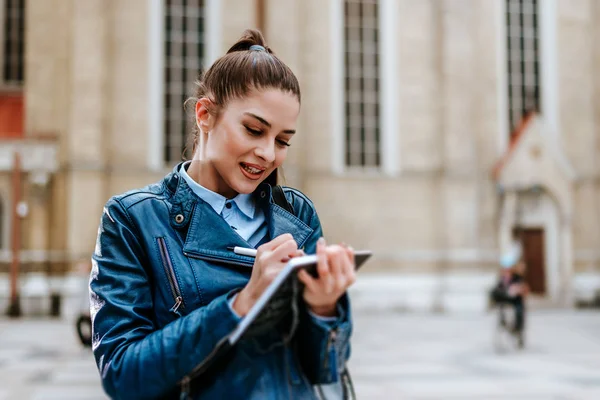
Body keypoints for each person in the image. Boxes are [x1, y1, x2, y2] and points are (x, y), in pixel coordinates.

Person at [90, 29, 356, 399]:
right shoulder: (135, 219)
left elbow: (324, 369)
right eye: (253, 130)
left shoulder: (296, 214)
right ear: (204, 114)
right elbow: (122, 375)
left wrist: (324, 308)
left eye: (282, 141)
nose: (267, 153)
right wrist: (243, 301)